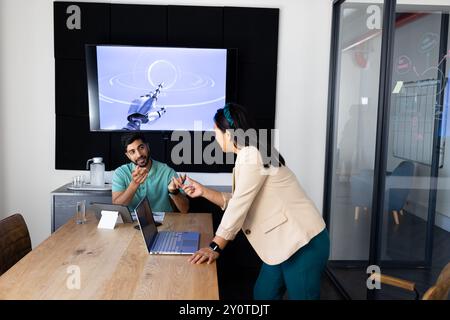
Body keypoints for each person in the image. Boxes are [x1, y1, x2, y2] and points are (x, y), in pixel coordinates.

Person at [182, 103, 330, 300]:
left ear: (228, 134)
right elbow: (241, 200)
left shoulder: (251, 155)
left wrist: (215, 246)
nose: (213, 134)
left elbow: (239, 206)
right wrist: (203, 191)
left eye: (215, 130)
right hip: (282, 244)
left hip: (302, 243)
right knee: (263, 294)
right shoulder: (252, 153)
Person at [112, 132, 189, 214]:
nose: (139, 155)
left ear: (147, 147)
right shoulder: (120, 173)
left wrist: (174, 192)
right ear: (128, 156)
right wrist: (134, 184)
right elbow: (117, 208)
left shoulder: (167, 171)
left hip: (164, 223)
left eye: (141, 147)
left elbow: (185, 209)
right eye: (132, 152)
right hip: (133, 224)